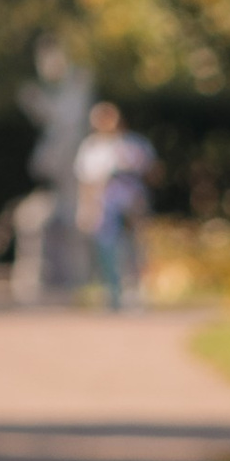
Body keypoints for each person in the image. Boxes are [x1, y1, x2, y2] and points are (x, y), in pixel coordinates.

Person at [72, 102, 159, 308]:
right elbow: (85, 182)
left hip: (132, 203)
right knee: (106, 250)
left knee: (134, 248)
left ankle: (135, 292)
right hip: (104, 206)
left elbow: (153, 173)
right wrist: (85, 208)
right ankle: (113, 293)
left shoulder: (134, 143)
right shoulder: (91, 147)